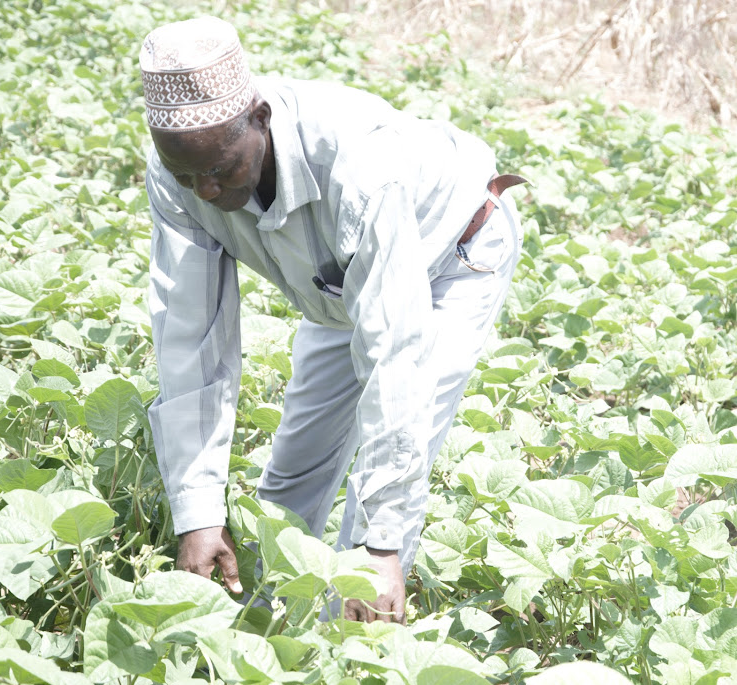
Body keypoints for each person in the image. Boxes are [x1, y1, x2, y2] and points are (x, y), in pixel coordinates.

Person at [139, 16, 525, 624]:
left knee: (369, 540)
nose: (206, 191)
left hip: (450, 255)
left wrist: (383, 546)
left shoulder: (359, 164)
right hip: (337, 277)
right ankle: (262, 635)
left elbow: (394, 354)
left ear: (260, 119)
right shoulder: (179, 174)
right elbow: (191, 338)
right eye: (189, 175)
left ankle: (352, 658)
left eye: (220, 169)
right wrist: (198, 514)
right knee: (291, 479)